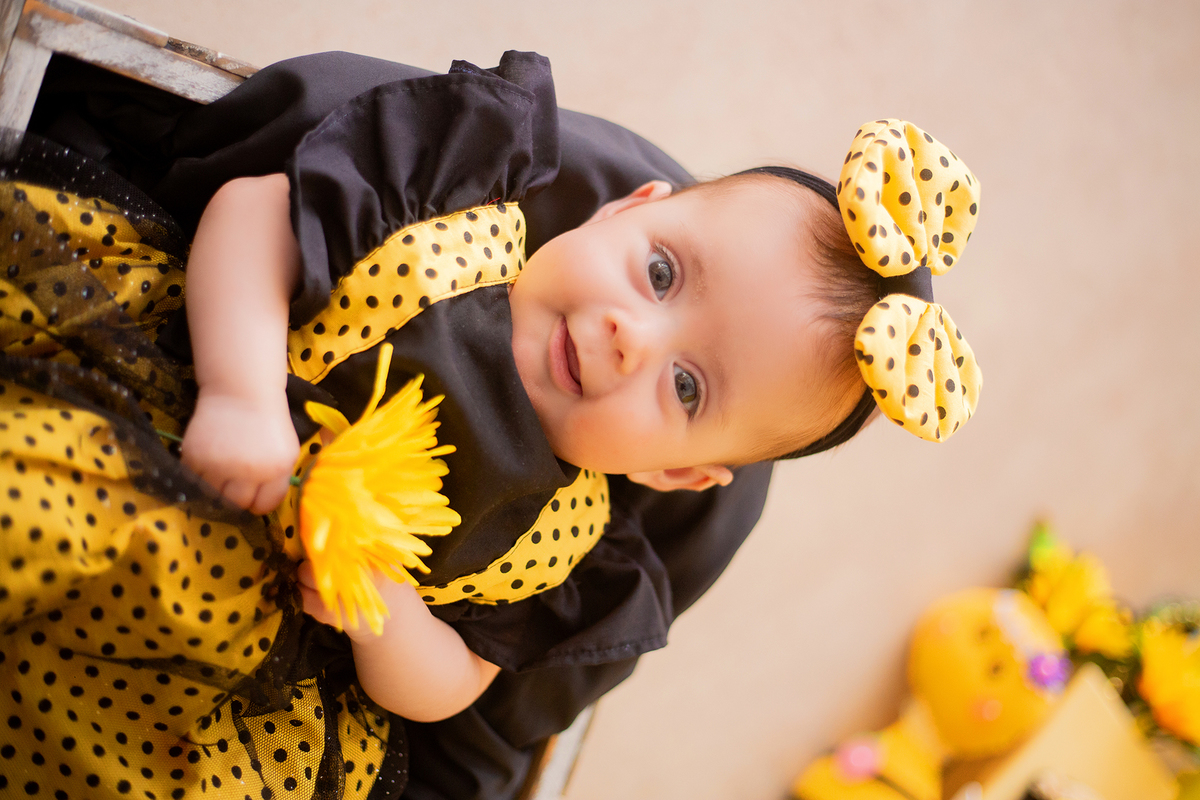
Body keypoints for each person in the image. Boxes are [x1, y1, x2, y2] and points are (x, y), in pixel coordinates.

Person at [0, 50, 980, 800]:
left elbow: (451, 687)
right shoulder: (453, 222)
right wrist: (243, 389)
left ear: (684, 477)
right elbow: (256, 214)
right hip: (156, 422)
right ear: (623, 209)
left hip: (245, 651)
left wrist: (387, 612)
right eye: (662, 272)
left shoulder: (564, 541)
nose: (628, 338)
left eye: (687, 389)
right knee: (35, 496)